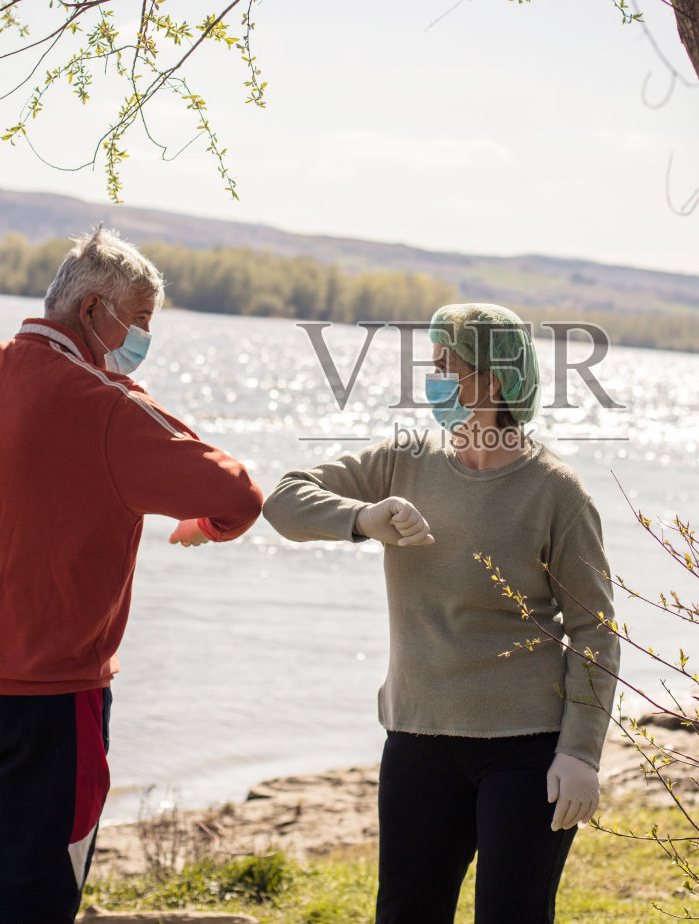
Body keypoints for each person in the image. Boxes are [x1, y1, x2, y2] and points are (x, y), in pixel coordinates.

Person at [0, 225, 264, 924]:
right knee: (28, 900)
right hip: (49, 704)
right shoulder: (108, 404)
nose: (145, 337)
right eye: (141, 320)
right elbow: (238, 493)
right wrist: (204, 524)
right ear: (93, 311)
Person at [262, 302, 619, 924]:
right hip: (417, 738)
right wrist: (361, 518)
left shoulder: (556, 492)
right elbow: (284, 500)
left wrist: (581, 752)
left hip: (526, 750)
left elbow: (595, 630)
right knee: (405, 913)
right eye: (434, 363)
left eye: (447, 365)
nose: (434, 377)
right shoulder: (402, 461)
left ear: (496, 377)